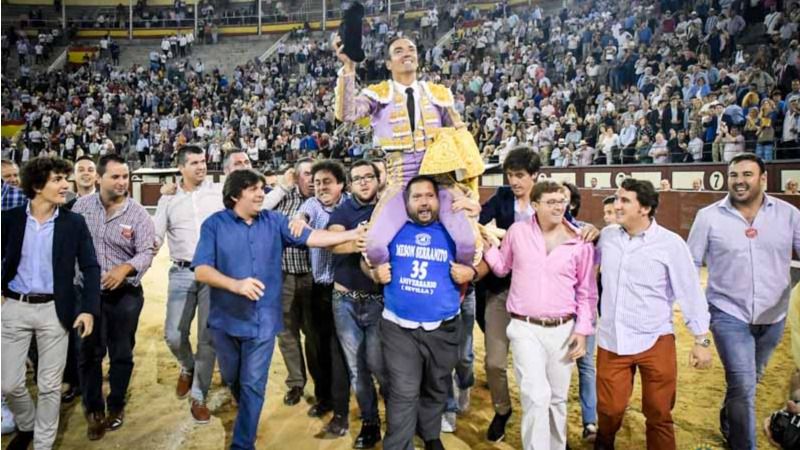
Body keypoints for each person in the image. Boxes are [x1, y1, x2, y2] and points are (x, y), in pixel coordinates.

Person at [192, 169, 364, 450]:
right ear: (235, 194)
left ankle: (242, 444)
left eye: (262, 188)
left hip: (262, 321)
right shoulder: (214, 225)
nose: (261, 193)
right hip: (225, 322)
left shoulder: (275, 221)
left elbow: (313, 238)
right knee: (235, 380)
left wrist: (353, 232)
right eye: (253, 189)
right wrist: (235, 285)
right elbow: (201, 270)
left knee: (252, 385)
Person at [334, 35, 482, 270]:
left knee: (467, 243)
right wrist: (348, 68)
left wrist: (471, 195)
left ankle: (456, 293)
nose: (407, 53)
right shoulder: (379, 94)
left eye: (411, 49)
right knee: (373, 246)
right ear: (389, 63)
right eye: (398, 50)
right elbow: (347, 113)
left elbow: (464, 146)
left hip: (439, 180)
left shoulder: (438, 94)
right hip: (401, 180)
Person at [687, 153, 800, 450]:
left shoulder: (788, 214)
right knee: (744, 386)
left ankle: (729, 416)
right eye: (734, 175)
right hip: (727, 313)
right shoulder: (708, 217)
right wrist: (698, 321)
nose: (739, 181)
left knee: (751, 379)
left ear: (763, 178)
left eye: (747, 175)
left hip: (774, 317)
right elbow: (690, 267)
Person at [595, 178, 713, 449]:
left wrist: (702, 341)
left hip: (656, 340)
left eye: (625, 200)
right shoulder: (607, 238)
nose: (617, 204)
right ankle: (604, 441)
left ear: (645, 208)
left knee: (659, 413)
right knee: (610, 411)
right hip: (613, 340)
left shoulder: (671, 244)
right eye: (616, 198)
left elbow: (691, 294)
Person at [483, 180, 597, 449]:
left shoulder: (580, 242)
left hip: (564, 329)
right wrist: (488, 246)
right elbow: (502, 268)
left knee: (557, 398)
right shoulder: (517, 232)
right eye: (552, 202)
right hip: (524, 327)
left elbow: (586, 293)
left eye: (562, 201)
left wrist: (582, 331)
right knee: (536, 395)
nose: (559, 207)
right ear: (535, 205)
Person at [369, 175, 476, 450]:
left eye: (429, 195)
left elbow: (486, 260)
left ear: (438, 200)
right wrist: (372, 272)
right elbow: (365, 260)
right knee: (404, 391)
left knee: (437, 386)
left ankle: (430, 435)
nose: (424, 202)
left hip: (444, 327)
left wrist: (473, 272)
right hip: (398, 328)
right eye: (417, 197)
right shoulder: (391, 229)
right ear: (406, 202)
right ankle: (398, 445)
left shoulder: (456, 230)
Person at [1, 156, 98, 450]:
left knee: (49, 385)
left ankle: (42, 444)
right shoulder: (11, 219)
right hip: (14, 307)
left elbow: (91, 267)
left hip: (55, 310)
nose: (65, 185)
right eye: (57, 180)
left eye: (64, 179)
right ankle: (28, 424)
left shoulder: (74, 222)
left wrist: (88, 309)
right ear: (37, 185)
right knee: (9, 384)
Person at [72, 154, 156, 441]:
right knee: (89, 352)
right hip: (88, 295)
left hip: (125, 295)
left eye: (125, 177)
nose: (122, 182)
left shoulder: (139, 214)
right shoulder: (80, 207)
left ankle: (116, 404)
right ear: (99, 178)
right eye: (115, 177)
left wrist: (126, 267)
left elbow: (146, 251)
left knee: (121, 353)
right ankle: (93, 408)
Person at [153, 145, 221, 423]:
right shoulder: (167, 200)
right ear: (181, 168)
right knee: (173, 334)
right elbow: (155, 237)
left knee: (208, 337)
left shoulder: (218, 192)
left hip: (213, 272)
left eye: (203, 161)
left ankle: (199, 395)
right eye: (194, 162)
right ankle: (187, 366)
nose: (201, 166)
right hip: (181, 272)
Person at [290, 160, 352, 432]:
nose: (321, 187)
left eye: (327, 182)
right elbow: (301, 216)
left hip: (346, 288)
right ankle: (325, 398)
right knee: (317, 346)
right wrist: (298, 220)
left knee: (340, 350)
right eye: (316, 183)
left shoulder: (350, 204)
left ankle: (341, 405)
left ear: (340, 184)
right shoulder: (311, 206)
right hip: (319, 288)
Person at [327, 160, 384, 448]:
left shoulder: (388, 208)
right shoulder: (344, 209)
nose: (363, 182)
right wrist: (362, 242)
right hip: (345, 300)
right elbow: (334, 243)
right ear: (350, 185)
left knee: (378, 364)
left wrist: (360, 241)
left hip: (378, 301)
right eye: (358, 178)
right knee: (356, 368)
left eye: (368, 177)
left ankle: (398, 419)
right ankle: (370, 422)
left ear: (378, 179)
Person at [262, 159, 316, 407]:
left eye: (315, 173)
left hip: (314, 278)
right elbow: (261, 209)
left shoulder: (323, 199)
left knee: (316, 334)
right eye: (307, 174)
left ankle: (323, 384)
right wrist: (283, 186)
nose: (312, 179)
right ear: (296, 176)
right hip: (283, 276)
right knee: (286, 333)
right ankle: (296, 382)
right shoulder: (282, 197)